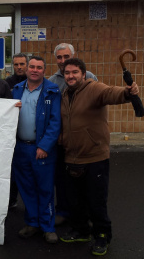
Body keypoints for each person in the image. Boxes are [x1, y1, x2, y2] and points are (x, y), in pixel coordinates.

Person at [59, 58, 139, 256]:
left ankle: (102, 235)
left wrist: (127, 92)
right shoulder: (64, 94)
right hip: (71, 157)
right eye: (67, 73)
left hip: (94, 157)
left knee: (96, 201)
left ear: (83, 74)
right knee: (76, 200)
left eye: (75, 72)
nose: (71, 76)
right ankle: (82, 231)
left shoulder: (93, 89)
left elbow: (111, 93)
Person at [11, 56, 61, 244]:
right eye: (31, 66)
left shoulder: (52, 91)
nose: (34, 70)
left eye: (39, 67)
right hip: (21, 148)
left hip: (41, 150)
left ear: (44, 70)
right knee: (26, 188)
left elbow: (55, 122)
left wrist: (44, 146)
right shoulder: (16, 90)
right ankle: (32, 223)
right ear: (26, 69)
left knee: (45, 188)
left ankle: (48, 227)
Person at [48, 43, 98, 226]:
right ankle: (63, 211)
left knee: (86, 181)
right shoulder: (52, 81)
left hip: (84, 140)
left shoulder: (89, 77)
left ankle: (87, 216)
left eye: (66, 57)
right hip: (62, 140)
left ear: (74, 56)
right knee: (62, 180)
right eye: (59, 57)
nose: (63, 61)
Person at [5, 53, 29, 209]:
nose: (19, 67)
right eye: (16, 64)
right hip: (11, 134)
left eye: (22, 64)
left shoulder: (34, 81)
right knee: (11, 172)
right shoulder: (7, 83)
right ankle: (11, 200)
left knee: (28, 174)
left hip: (28, 133)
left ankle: (29, 204)